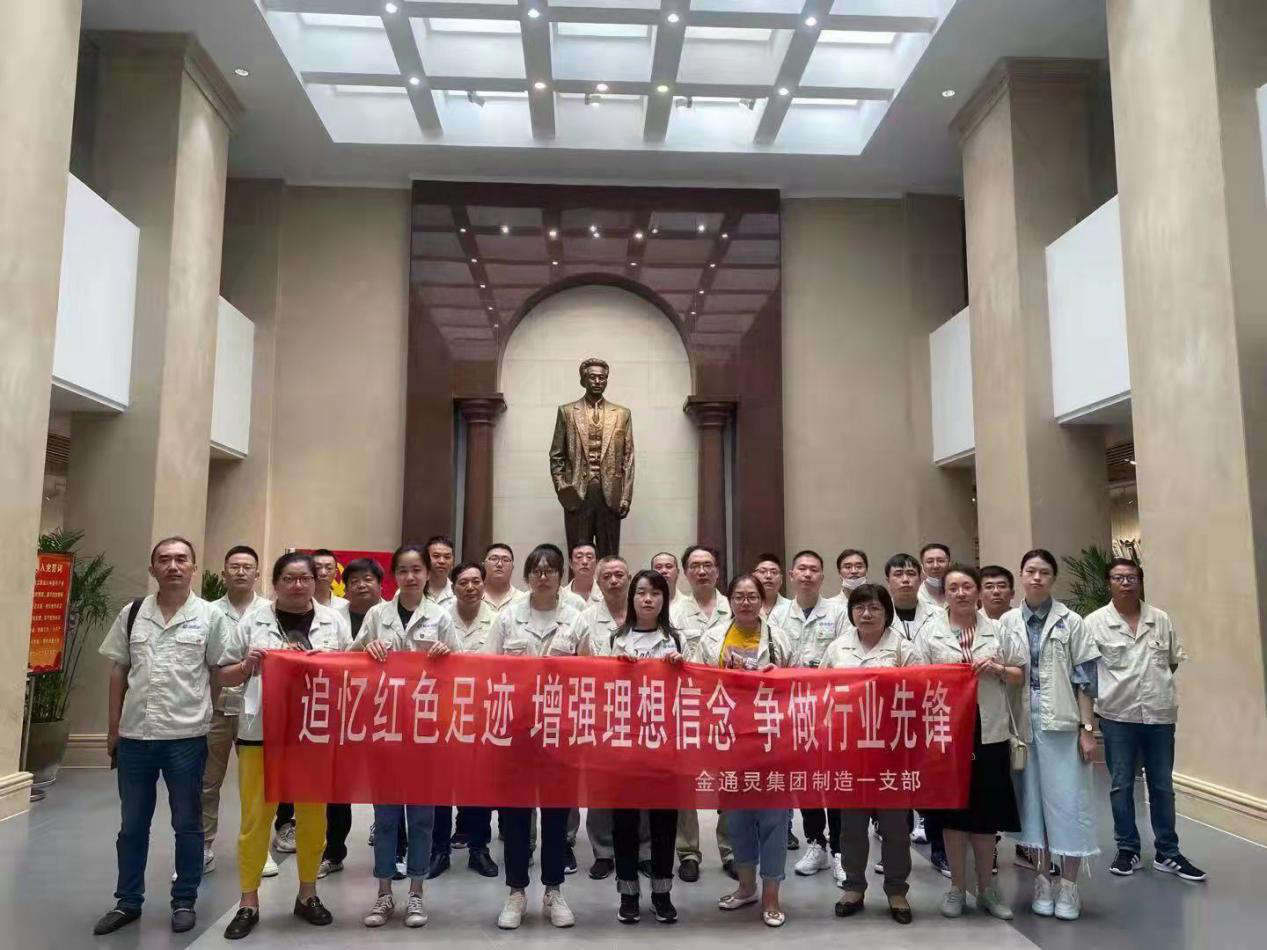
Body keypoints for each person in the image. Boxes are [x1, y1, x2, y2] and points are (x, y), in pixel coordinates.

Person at [92, 537, 236, 936]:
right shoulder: (133, 613)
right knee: (131, 825)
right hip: (135, 736)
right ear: (152, 568)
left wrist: (250, 667)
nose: (173, 565)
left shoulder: (210, 617)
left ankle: (184, 900)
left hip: (186, 737)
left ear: (193, 567)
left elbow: (220, 671)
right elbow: (119, 671)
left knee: (187, 823)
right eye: (165, 559)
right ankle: (127, 901)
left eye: (181, 559)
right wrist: (112, 729)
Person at [219, 552, 352, 940]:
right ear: (275, 583)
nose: (298, 585)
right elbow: (223, 675)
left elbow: (351, 672)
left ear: (316, 581)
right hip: (261, 733)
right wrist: (247, 666)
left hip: (314, 735)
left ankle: (307, 894)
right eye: (289, 578)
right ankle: (248, 901)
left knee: (313, 817)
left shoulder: (334, 622)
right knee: (255, 819)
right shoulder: (252, 620)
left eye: (305, 578)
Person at [354, 543, 459, 928]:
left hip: (425, 731)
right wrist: (368, 648)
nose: (411, 576)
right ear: (394, 575)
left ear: (428, 573)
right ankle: (384, 893)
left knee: (421, 817)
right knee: (385, 817)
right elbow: (349, 660)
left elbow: (462, 672)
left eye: (417, 569)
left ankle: (416, 892)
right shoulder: (377, 615)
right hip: (384, 728)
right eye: (403, 570)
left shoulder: (440, 616)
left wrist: (448, 655)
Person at [914, 564, 1025, 922]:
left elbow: (1019, 674)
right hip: (948, 732)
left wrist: (997, 669)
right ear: (944, 594)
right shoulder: (930, 631)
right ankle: (956, 888)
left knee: (986, 812)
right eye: (953, 588)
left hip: (989, 731)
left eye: (966, 586)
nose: (960, 593)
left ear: (977, 591)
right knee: (954, 811)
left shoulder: (999, 629)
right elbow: (916, 678)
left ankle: (987, 889)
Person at [1087, 559, 1205, 881]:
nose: (1125, 582)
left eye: (1132, 577)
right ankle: (1128, 849)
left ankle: (1168, 852)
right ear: (1109, 583)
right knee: (1121, 784)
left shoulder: (1160, 619)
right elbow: (1087, 672)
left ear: (1140, 581)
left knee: (1162, 786)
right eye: (1118, 577)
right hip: (1117, 716)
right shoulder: (1094, 623)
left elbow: (1171, 662)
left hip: (1159, 715)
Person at [487, 543, 584, 930]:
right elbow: (488, 672)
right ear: (527, 576)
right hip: (517, 732)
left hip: (561, 732)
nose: (543, 576)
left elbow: (592, 673)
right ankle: (516, 892)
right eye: (537, 570)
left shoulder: (577, 618)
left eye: (550, 570)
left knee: (557, 816)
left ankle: (554, 890)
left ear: (561, 576)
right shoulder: (508, 618)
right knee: (515, 815)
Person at [1001, 549, 1100, 921]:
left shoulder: (1072, 622)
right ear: (1021, 576)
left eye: (1044, 572)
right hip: (1023, 726)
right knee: (1033, 806)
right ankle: (1043, 879)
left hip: (1063, 726)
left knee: (1069, 803)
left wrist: (1087, 730)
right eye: (1030, 571)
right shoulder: (1007, 621)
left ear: (1053, 578)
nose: (1037, 578)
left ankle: (1069, 886)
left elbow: (1085, 680)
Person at [821, 583, 917, 925]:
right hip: (850, 750)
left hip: (891, 749)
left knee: (895, 827)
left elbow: (921, 690)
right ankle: (853, 887)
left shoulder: (903, 647)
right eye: (860, 607)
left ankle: (896, 890)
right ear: (851, 613)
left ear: (887, 612)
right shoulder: (837, 648)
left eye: (875, 607)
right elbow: (820, 692)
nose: (866, 613)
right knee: (851, 826)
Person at [703, 574, 793, 928]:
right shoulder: (713, 638)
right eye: (738, 596)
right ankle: (746, 887)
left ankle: (771, 895)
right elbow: (697, 682)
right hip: (730, 739)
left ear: (762, 599)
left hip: (772, 739)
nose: (745, 602)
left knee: (773, 819)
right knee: (737, 818)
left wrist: (778, 674)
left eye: (752, 596)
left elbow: (800, 684)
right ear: (729, 601)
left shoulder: (779, 637)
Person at [603, 569, 686, 924]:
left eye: (655, 593)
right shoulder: (616, 639)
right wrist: (616, 670)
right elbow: (600, 688)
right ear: (632, 598)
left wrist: (680, 669)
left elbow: (692, 690)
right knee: (624, 820)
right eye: (641, 592)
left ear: (664, 599)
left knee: (664, 819)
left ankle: (662, 893)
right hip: (624, 742)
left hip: (665, 744)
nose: (648, 599)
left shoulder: (676, 639)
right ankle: (628, 893)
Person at [770, 550, 847, 880]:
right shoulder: (777, 615)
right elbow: (773, 657)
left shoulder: (839, 612)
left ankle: (840, 849)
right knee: (807, 779)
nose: (807, 574)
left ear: (822, 576)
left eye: (814, 569)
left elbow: (846, 654)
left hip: (832, 707)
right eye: (801, 569)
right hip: (795, 709)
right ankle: (816, 842)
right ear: (791, 575)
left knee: (836, 778)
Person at [576, 556, 652, 881]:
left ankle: (645, 851)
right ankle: (604, 851)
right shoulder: (585, 618)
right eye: (606, 576)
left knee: (645, 782)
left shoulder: (646, 615)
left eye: (619, 574)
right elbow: (574, 660)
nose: (613, 581)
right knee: (603, 783)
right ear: (597, 581)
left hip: (645, 711)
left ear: (629, 578)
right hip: (602, 712)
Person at [202, 546, 270, 880]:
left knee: (256, 786)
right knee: (207, 782)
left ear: (257, 573)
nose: (241, 572)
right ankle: (202, 847)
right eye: (234, 566)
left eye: (247, 567)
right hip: (214, 708)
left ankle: (259, 850)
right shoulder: (207, 612)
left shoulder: (270, 612)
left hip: (256, 712)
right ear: (224, 572)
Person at [669, 544, 735, 881]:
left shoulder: (734, 606)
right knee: (686, 781)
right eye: (695, 565)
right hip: (687, 706)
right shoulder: (672, 612)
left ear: (717, 571)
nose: (702, 571)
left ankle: (731, 849)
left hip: (727, 707)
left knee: (729, 779)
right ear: (685, 573)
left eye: (708, 565)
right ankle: (688, 852)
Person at [319, 557, 386, 879]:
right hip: (342, 712)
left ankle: (391, 850)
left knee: (385, 784)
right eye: (354, 580)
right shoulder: (332, 619)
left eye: (368, 579)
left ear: (380, 584)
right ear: (344, 586)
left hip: (384, 711)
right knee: (338, 787)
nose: (361, 585)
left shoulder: (391, 615)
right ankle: (334, 852)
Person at [883, 552, 943, 863]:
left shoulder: (938, 614)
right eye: (898, 574)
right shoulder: (877, 613)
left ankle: (939, 849)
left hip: (928, 706)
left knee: (930, 778)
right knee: (895, 782)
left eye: (910, 573)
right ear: (888, 580)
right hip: (889, 710)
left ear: (920, 578)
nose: (905, 579)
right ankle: (894, 851)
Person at [482, 543, 523, 613]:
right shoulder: (473, 597)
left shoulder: (522, 599)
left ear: (512, 567)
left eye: (506, 560)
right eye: (494, 559)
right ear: (483, 565)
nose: (499, 564)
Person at [311, 548, 350, 618]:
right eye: (317, 568)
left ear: (336, 573)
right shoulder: (301, 603)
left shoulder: (345, 605)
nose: (323, 573)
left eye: (329, 568)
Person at [563, 541, 602, 609]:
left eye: (589, 557)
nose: (585, 562)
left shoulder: (605, 594)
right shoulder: (561, 597)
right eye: (579, 557)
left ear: (597, 563)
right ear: (570, 563)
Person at [753, 553, 791, 619]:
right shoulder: (746, 606)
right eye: (762, 571)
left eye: (774, 572)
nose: (768, 576)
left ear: (781, 579)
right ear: (753, 577)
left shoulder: (791, 608)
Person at [422, 535, 455, 608]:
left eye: (447, 557)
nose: (442, 561)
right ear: (425, 559)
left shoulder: (458, 594)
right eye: (436, 556)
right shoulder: (412, 591)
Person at [917, 542, 951, 608]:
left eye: (940, 561)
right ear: (922, 566)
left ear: (949, 564)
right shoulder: (917, 596)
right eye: (930, 561)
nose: (935, 566)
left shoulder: (960, 593)